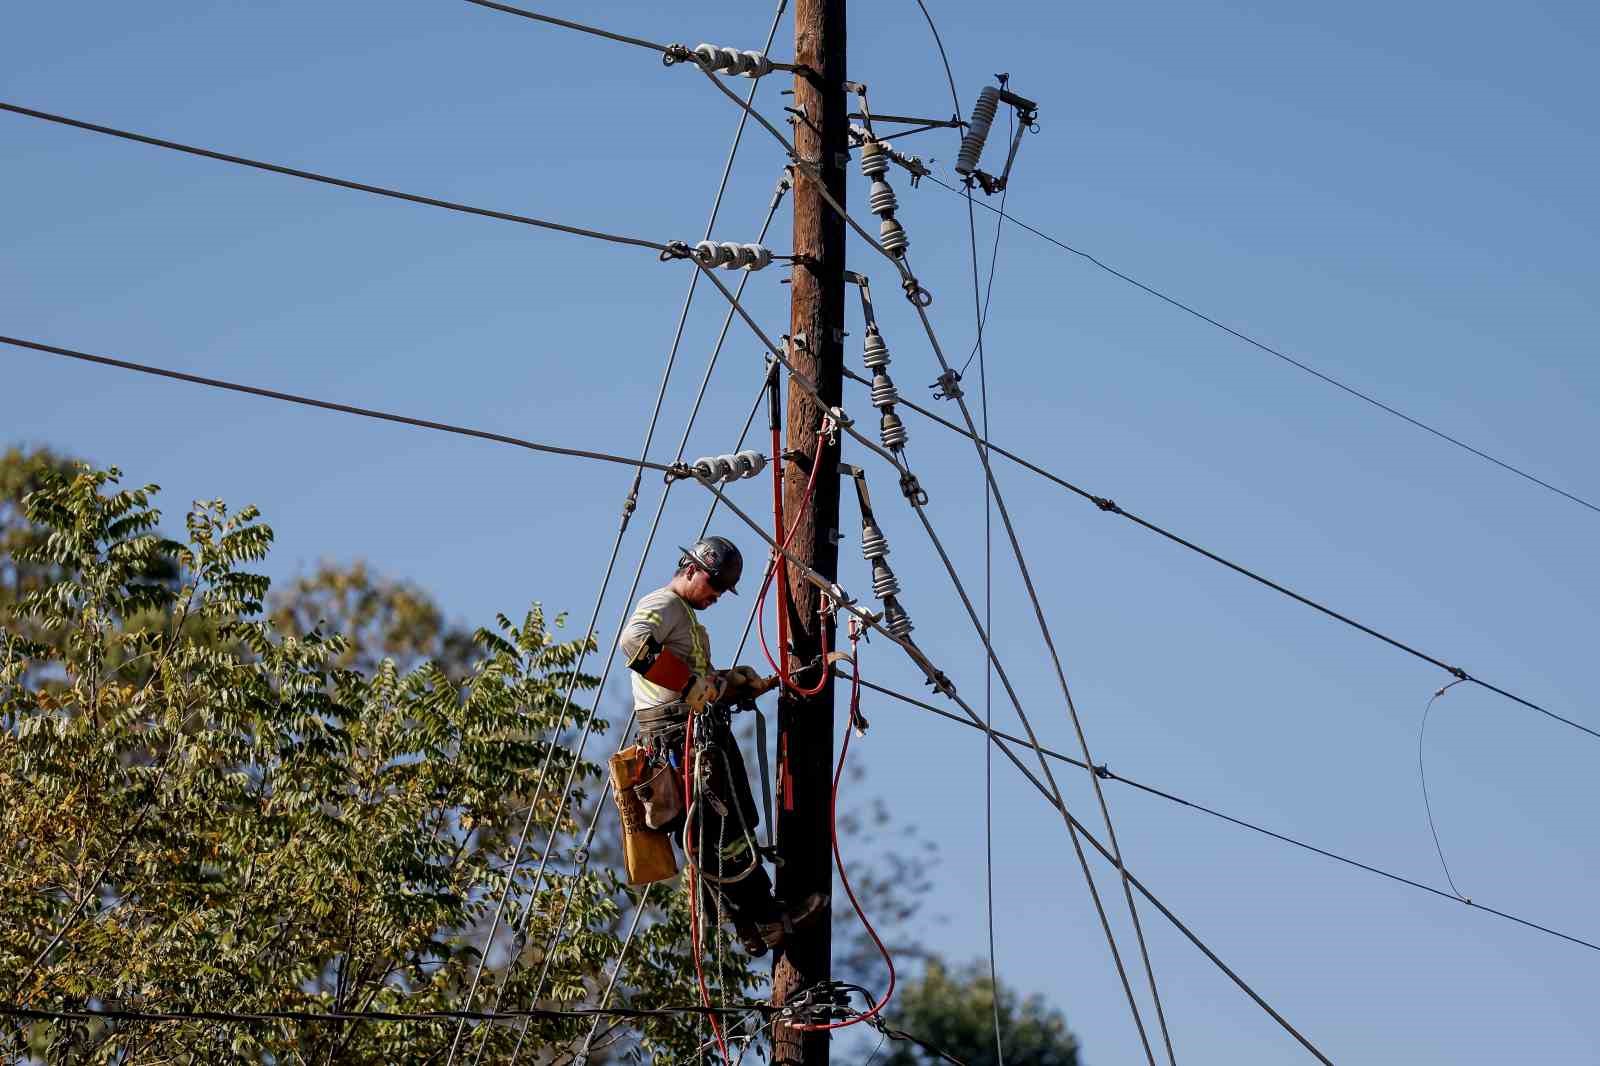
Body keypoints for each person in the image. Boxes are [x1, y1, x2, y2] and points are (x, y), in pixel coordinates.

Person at [618, 535, 825, 956]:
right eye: (713, 585)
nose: (716, 596)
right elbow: (634, 645)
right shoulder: (663, 604)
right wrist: (694, 686)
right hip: (677, 736)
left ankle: (751, 925)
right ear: (691, 569)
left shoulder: (686, 618)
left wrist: (731, 683)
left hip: (691, 731)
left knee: (723, 830)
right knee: (719, 832)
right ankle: (767, 918)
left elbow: (695, 684)